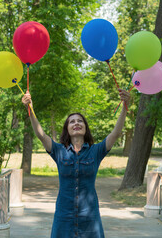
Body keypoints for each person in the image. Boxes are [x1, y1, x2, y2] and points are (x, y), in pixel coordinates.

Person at [21, 88, 130, 238]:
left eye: (80, 121)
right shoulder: (59, 151)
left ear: (85, 128)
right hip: (64, 215)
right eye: (72, 121)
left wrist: (125, 106)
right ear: (67, 129)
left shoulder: (96, 151)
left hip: (90, 216)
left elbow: (116, 133)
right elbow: (41, 134)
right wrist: (30, 108)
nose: (76, 123)